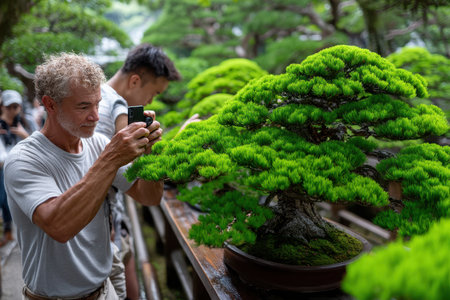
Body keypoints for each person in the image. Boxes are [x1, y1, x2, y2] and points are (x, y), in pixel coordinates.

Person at [4, 53, 163, 299]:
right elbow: (59, 226)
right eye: (83, 106)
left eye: (97, 104)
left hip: (104, 289)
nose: (96, 117)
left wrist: (152, 155)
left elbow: (148, 196)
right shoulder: (23, 159)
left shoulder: (98, 143)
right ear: (50, 104)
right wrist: (110, 158)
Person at [96, 43, 198, 300]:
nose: (151, 101)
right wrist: (172, 149)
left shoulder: (95, 99)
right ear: (134, 80)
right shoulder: (115, 111)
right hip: (102, 235)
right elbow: (144, 190)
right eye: (153, 93)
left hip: (113, 222)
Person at [0, 89, 37, 246]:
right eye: (9, 107)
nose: (13, 111)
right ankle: (8, 230)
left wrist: (24, 135)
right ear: (2, 106)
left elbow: (41, 146)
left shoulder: (27, 122)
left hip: (25, 168)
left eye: (16, 107)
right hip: (4, 168)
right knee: (4, 199)